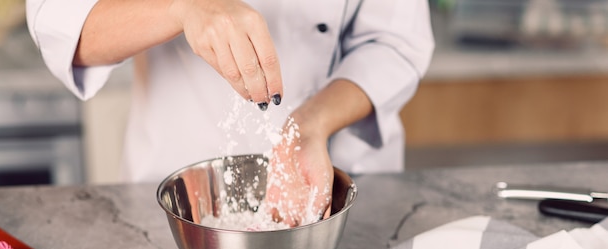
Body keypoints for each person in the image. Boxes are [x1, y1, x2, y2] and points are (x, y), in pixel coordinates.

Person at [26, 0, 434, 226]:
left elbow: (395, 44)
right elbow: (62, 25)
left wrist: (311, 124)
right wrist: (181, 10)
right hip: (181, 191)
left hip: (340, 182)